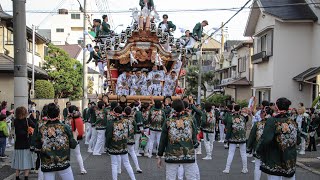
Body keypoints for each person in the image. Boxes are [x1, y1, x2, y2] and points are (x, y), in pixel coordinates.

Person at [257, 97, 300, 180]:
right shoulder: (292, 121)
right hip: (290, 157)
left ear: (276, 107)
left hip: (275, 157)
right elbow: (298, 139)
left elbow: (266, 139)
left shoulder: (272, 121)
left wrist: (259, 150)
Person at [33, 103, 78, 180]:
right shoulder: (65, 127)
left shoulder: (42, 129)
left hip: (47, 163)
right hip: (63, 162)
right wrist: (75, 136)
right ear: (58, 114)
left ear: (47, 114)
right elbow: (73, 145)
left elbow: (37, 146)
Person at [157, 99, 199, 180]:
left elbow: (163, 140)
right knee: (191, 177)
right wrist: (195, 146)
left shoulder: (168, 121)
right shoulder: (190, 120)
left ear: (173, 108)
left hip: (172, 154)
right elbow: (194, 137)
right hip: (188, 153)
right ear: (183, 108)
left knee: (170, 178)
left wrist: (160, 155)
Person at [105, 106, 136, 180]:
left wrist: (107, 145)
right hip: (124, 144)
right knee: (127, 163)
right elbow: (129, 132)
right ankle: (133, 178)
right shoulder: (127, 121)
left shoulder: (111, 123)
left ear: (114, 113)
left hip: (113, 145)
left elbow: (108, 135)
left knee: (114, 164)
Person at [12, 106, 36, 180]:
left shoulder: (15, 121)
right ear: (25, 112)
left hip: (18, 143)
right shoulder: (27, 120)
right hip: (26, 143)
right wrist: (34, 118)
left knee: (18, 161)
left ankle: (17, 176)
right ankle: (26, 177)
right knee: (27, 160)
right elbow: (35, 125)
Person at [223, 105, 248, 174]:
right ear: (239, 109)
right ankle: (245, 168)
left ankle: (227, 168)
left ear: (234, 109)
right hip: (242, 137)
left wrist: (226, 139)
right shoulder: (243, 117)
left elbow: (228, 130)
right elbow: (244, 127)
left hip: (233, 137)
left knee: (231, 153)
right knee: (243, 153)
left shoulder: (230, 117)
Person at [247, 107, 270, 180]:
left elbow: (252, 136)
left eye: (261, 113)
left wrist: (249, 147)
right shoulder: (275, 124)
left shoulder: (258, 124)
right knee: (270, 167)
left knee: (257, 166)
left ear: (264, 114)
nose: (260, 115)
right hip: (270, 148)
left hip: (258, 146)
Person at [67, 105, 87, 174]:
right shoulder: (79, 118)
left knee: (67, 155)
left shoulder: (71, 120)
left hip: (71, 138)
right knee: (78, 154)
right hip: (77, 138)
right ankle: (82, 169)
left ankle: (67, 170)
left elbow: (70, 130)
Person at [124, 107, 143, 173]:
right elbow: (135, 130)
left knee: (121, 154)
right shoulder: (133, 120)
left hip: (122, 139)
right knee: (132, 152)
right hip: (130, 138)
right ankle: (137, 167)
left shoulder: (122, 119)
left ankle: (118, 169)